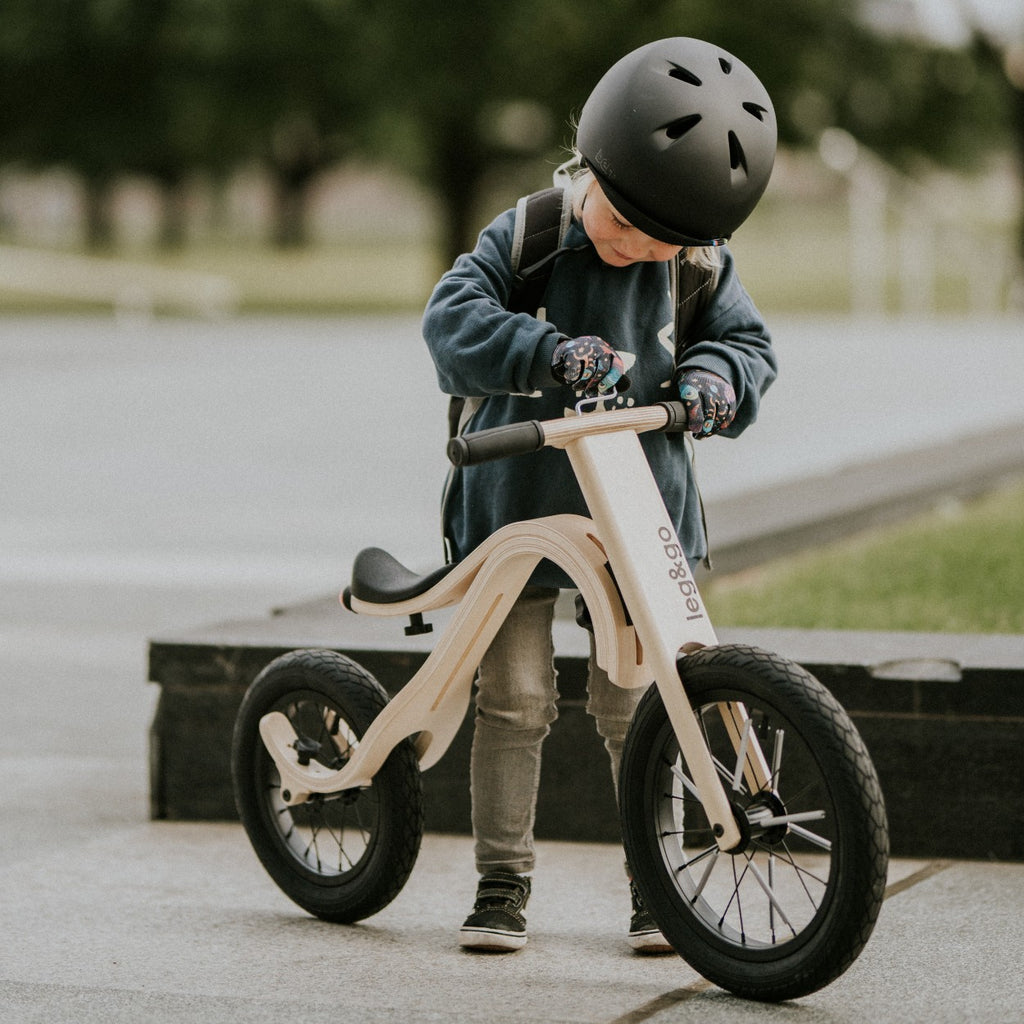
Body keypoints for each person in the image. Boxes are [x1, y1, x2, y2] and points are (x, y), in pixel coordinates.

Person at [421, 37, 778, 954]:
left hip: (640, 510)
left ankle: (653, 885)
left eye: (665, 245)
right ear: (596, 172)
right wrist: (544, 353)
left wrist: (713, 383)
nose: (640, 255)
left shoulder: (692, 257)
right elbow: (450, 321)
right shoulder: (531, 232)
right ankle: (502, 885)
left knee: (641, 703)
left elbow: (748, 347)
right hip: (518, 510)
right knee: (515, 698)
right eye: (626, 231)